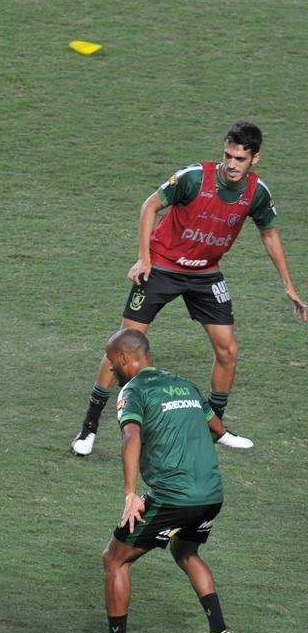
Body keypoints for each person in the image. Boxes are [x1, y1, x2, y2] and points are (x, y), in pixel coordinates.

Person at [73, 121, 307, 456]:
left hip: (205, 274)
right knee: (123, 346)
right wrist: (143, 258)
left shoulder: (257, 193)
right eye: (227, 155)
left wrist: (289, 286)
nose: (231, 164)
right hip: (163, 266)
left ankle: (215, 430)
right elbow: (149, 206)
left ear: (254, 159)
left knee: (228, 350)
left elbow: (269, 233)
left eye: (240, 158)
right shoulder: (194, 178)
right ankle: (88, 429)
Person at [89, 329, 235, 633]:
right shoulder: (185, 385)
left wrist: (129, 493)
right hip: (211, 493)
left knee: (114, 559)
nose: (111, 370)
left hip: (174, 497)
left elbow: (131, 435)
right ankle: (219, 632)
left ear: (125, 358)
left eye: (112, 363)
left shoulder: (134, 390)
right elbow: (216, 429)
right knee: (185, 551)